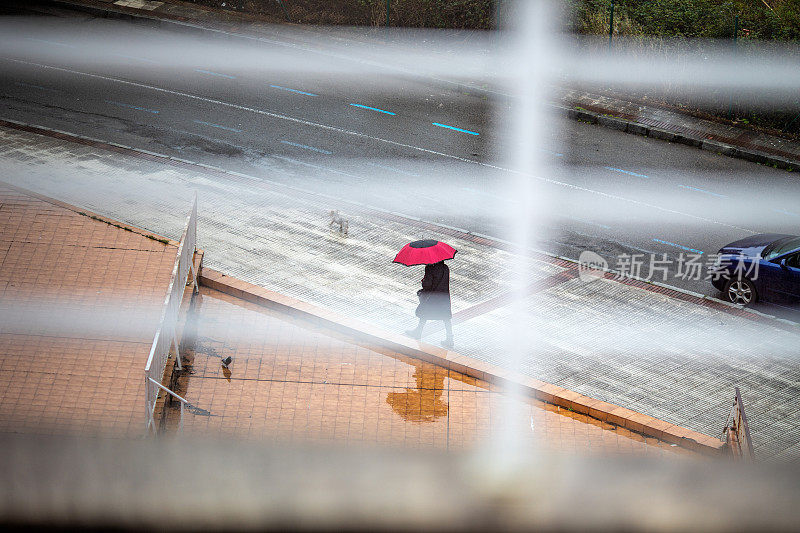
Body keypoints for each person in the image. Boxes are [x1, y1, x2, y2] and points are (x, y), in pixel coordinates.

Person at [405, 260, 454, 348]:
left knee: (424, 313)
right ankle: (450, 338)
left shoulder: (430, 268)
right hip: (443, 297)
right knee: (446, 317)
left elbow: (427, 284)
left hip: (432, 297)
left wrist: (423, 281)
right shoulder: (445, 268)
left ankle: (418, 332)